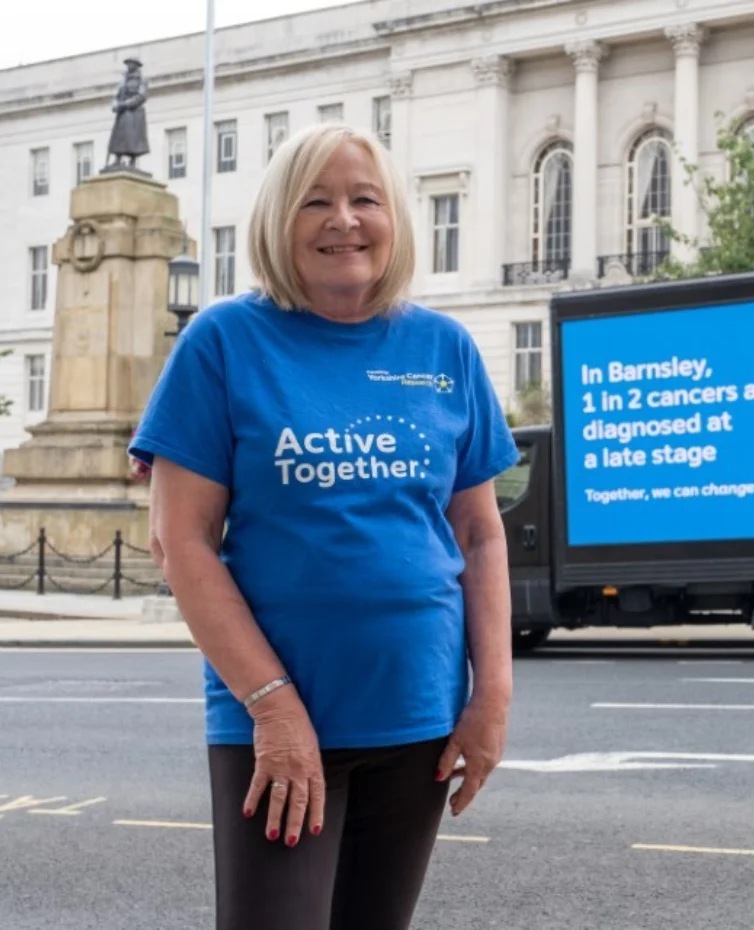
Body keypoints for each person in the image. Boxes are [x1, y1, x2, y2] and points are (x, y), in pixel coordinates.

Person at [129, 122, 520, 930]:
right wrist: (274, 710)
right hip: (275, 717)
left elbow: (480, 535)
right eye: (317, 201)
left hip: (417, 717)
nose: (343, 219)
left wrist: (493, 699)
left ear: (394, 218)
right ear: (279, 221)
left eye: (364, 199)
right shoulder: (223, 342)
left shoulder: (443, 347)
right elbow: (182, 542)